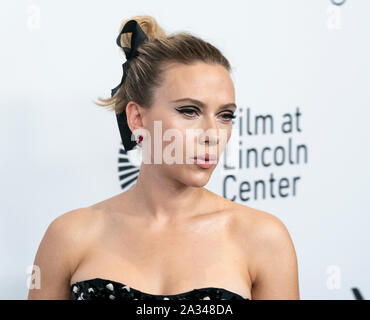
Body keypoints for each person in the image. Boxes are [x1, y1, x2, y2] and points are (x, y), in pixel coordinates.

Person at [28, 15, 299, 300]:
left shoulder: (264, 239)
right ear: (137, 117)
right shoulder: (69, 236)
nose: (213, 134)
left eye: (225, 115)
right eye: (189, 111)